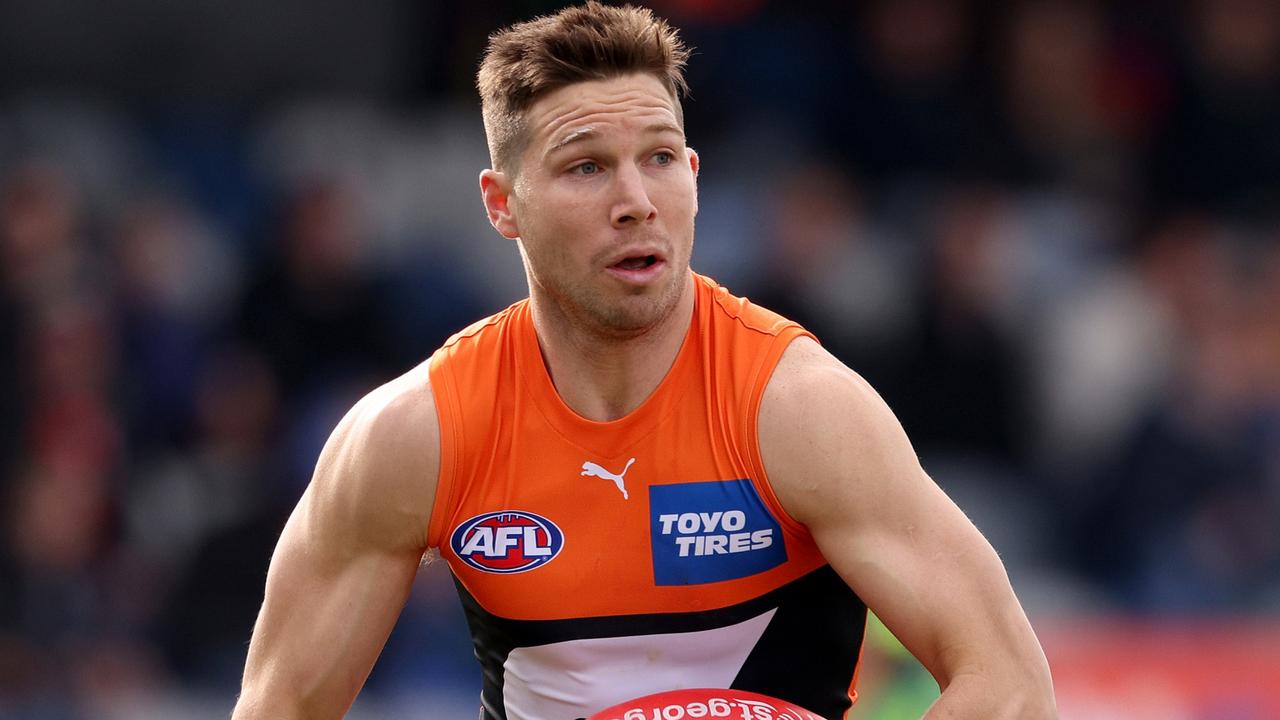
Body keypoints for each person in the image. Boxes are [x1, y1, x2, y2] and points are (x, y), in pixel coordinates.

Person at [232, 3, 1057, 719]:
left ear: (694, 177)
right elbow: (282, 707)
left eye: (659, 157)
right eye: (587, 167)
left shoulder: (798, 409)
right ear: (501, 204)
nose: (636, 201)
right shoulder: (418, 434)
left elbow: (1010, 685)